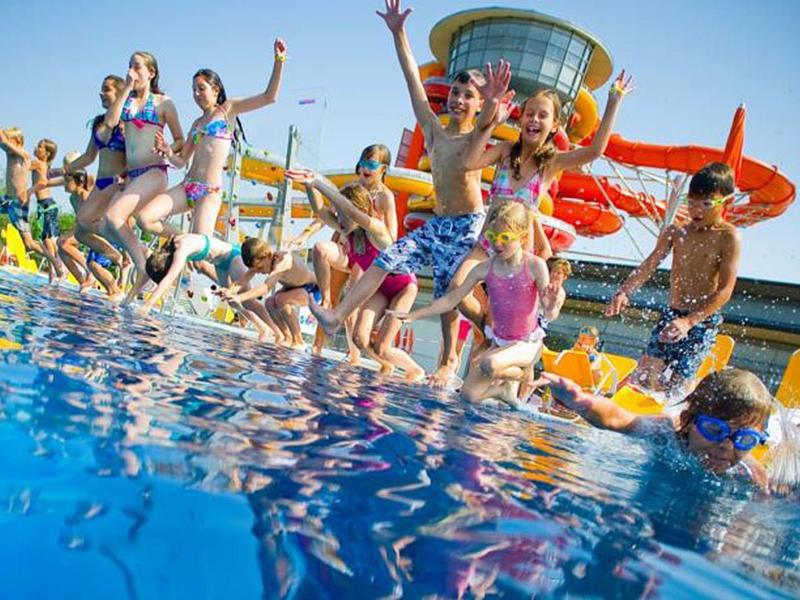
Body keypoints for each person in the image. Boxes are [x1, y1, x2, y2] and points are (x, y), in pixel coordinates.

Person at [311, 0, 504, 387]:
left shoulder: (476, 138)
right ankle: (335, 316)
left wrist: (495, 100)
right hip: (439, 222)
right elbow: (412, 80)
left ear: (478, 104)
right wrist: (399, 33)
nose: (459, 100)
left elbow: (487, 121)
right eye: (455, 93)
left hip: (467, 225)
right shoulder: (433, 130)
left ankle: (459, 354)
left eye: (468, 96)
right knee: (388, 256)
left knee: (453, 292)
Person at [452, 68, 632, 330]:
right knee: (457, 287)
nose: (534, 119)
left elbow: (594, 151)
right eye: (529, 113)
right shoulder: (504, 151)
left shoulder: (551, 163)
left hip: (518, 253)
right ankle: (487, 327)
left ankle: (496, 333)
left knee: (506, 322)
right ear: (521, 118)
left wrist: (614, 101)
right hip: (487, 242)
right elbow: (469, 162)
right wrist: (491, 126)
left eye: (543, 115)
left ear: (554, 125)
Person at [390, 202, 558, 404]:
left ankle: (519, 375)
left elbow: (549, 314)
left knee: (487, 362)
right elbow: (452, 299)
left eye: (505, 238)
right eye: (492, 237)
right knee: (468, 396)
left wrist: (553, 303)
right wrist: (414, 315)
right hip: (499, 342)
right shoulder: (484, 268)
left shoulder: (534, 266)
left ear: (522, 238)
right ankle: (502, 392)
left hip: (527, 343)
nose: (497, 244)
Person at [536, 368, 800, 493]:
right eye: (713, 429)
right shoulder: (667, 433)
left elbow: (771, 500)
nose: (727, 446)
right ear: (688, 419)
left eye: (745, 439)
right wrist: (582, 402)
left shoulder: (748, 472)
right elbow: (619, 419)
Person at [605, 162, 741, 397]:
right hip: (672, 313)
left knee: (677, 386)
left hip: (701, 321)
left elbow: (726, 290)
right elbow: (648, 265)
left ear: (725, 203)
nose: (696, 210)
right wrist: (624, 292)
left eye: (706, 203)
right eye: (692, 202)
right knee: (647, 373)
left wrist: (689, 321)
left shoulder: (728, 237)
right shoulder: (676, 232)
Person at [141, 38, 287, 238]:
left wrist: (279, 60)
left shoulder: (228, 110)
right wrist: (167, 152)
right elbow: (181, 160)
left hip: (209, 192)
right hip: (187, 187)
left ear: (215, 90)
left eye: (201, 88)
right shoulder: (196, 123)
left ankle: (222, 256)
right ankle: (183, 240)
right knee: (145, 218)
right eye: (193, 90)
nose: (196, 94)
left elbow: (269, 97)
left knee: (201, 255)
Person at [287, 169, 424, 381]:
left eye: (342, 214)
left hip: (403, 288)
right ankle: (386, 366)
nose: (338, 220)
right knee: (360, 339)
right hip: (379, 289)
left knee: (383, 347)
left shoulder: (377, 230)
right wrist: (309, 186)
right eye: (338, 214)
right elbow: (321, 211)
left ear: (357, 211)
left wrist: (320, 182)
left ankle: (415, 370)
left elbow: (351, 211)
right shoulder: (349, 230)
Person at [102, 51, 185, 302]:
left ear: (151, 72)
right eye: (129, 66)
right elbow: (110, 121)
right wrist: (126, 88)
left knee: (113, 216)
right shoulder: (126, 100)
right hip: (134, 174)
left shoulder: (164, 103)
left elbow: (181, 139)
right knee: (110, 225)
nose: (132, 71)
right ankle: (144, 260)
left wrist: (168, 148)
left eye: (137, 67)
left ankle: (142, 265)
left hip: (154, 171)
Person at [140, 234, 276, 341]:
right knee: (231, 300)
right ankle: (263, 328)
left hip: (233, 258)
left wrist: (148, 305)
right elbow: (154, 267)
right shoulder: (173, 244)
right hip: (220, 264)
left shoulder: (181, 249)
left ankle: (274, 330)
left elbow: (168, 278)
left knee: (248, 301)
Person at [64, 74, 129, 275]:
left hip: (115, 183)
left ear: (119, 94)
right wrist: (65, 170)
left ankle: (131, 250)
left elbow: (135, 156)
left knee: (86, 223)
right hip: (100, 183)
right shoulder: (99, 124)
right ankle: (119, 255)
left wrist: (127, 177)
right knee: (82, 230)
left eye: (106, 89)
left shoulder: (126, 123)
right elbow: (88, 157)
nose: (101, 93)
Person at [219, 238, 318, 350]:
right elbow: (242, 281)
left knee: (282, 300)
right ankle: (287, 337)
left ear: (266, 254)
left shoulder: (282, 261)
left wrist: (239, 297)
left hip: (313, 288)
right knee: (269, 303)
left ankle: (298, 340)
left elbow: (266, 287)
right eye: (255, 269)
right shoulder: (261, 259)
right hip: (293, 289)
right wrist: (228, 291)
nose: (259, 272)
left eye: (260, 268)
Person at [57, 169, 121, 297]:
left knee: (91, 263)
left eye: (67, 181)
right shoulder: (73, 199)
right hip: (87, 232)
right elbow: (79, 224)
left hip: (102, 232)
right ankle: (84, 281)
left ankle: (110, 287)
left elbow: (98, 219)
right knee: (61, 247)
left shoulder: (86, 197)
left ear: (79, 182)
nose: (64, 184)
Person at [0, 128, 52, 269]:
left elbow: (3, 141)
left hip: (18, 203)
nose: (4, 145)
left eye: (9, 141)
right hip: (6, 199)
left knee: (28, 243)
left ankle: (54, 260)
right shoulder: (10, 154)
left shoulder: (23, 155)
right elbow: (3, 141)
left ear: (16, 142)